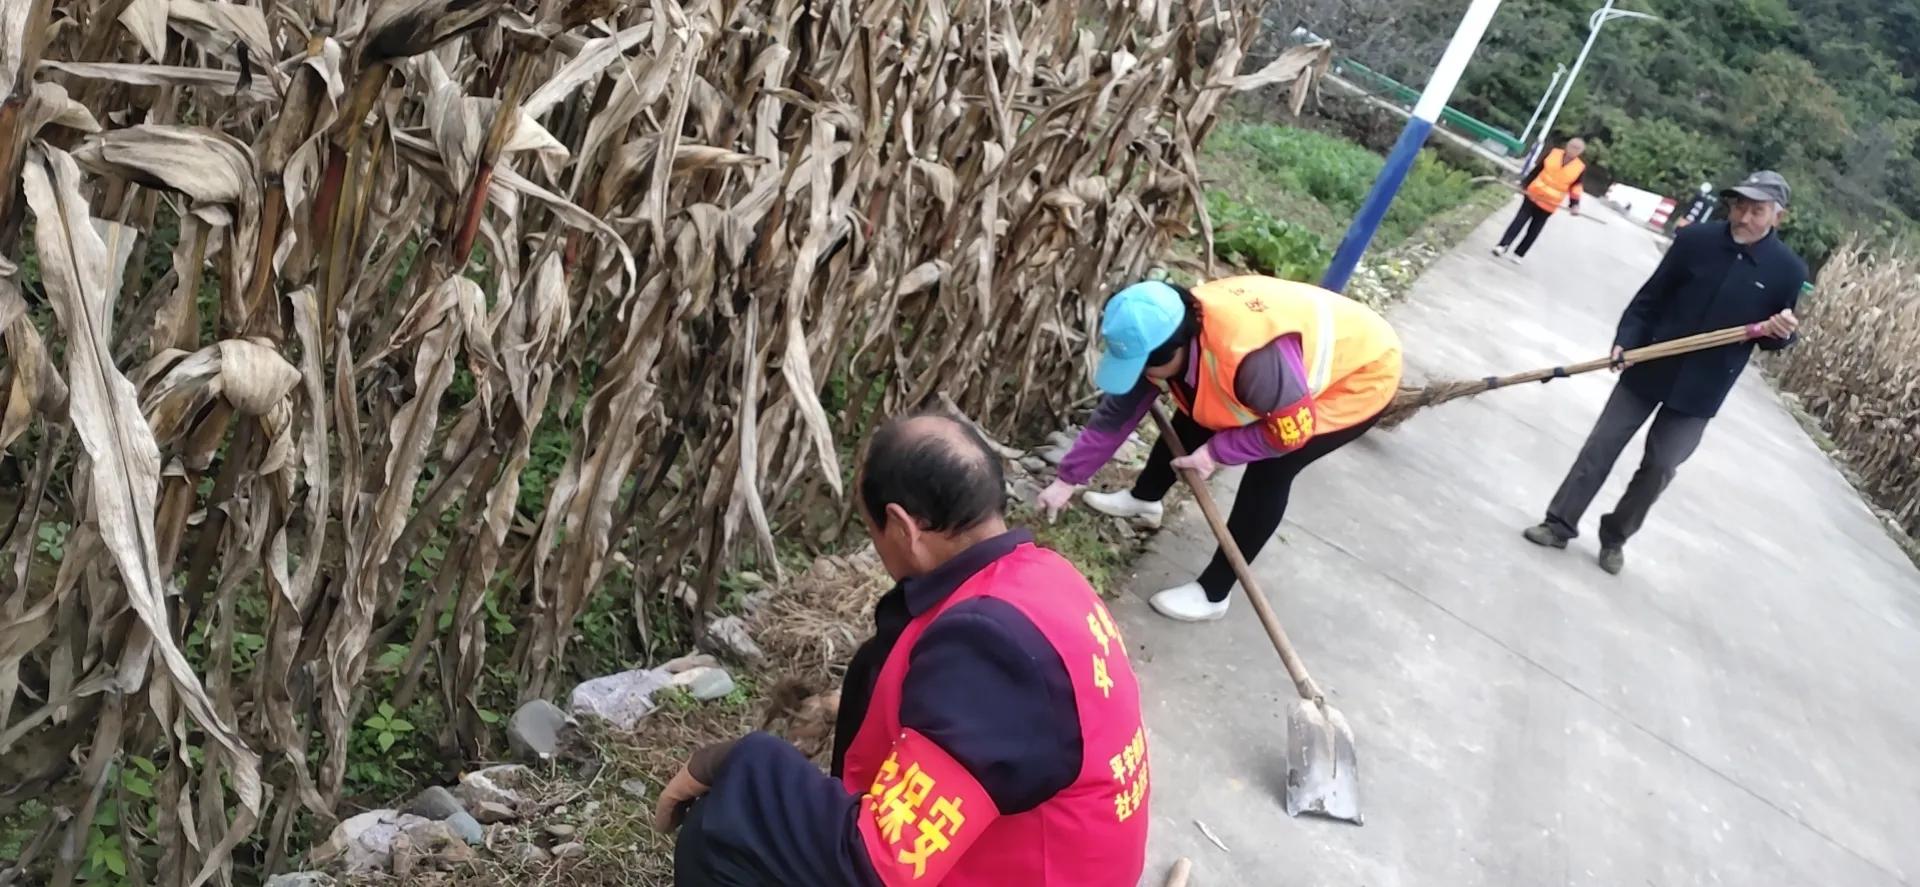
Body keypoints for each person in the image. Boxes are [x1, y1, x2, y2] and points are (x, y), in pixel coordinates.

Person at [660, 411, 1150, 886]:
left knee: (723, 827)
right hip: (1051, 861)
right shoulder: (1043, 581)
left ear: (901, 527)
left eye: (872, 530)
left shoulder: (988, 650)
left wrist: (737, 762)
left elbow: (878, 865)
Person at [1038, 276, 1402, 622]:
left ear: (1177, 347)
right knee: (1197, 408)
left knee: (1271, 471)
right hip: (1284, 359)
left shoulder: (1251, 361)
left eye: (1146, 367)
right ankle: (1145, 499)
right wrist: (1067, 479)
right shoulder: (1167, 328)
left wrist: (1215, 453)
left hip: (1360, 375)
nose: (1142, 375)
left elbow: (1290, 432)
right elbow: (1117, 413)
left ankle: (1214, 593)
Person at [1521, 171, 1806, 574]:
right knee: (1601, 446)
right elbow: (1649, 298)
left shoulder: (1787, 271)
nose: (1743, 216)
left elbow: (1774, 338)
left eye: (1756, 210)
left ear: (1778, 217)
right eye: (1739, 205)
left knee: (1661, 467)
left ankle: (1615, 535)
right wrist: (1627, 339)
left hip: (1701, 391)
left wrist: (1782, 335)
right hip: (1650, 363)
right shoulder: (1696, 241)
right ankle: (1558, 524)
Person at [1492, 137, 1587, 264]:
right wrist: (1523, 184)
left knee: (1534, 230)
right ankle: (1503, 245)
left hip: (1549, 203)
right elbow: (1537, 170)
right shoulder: (1553, 154)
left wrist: (1574, 204)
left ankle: (1519, 254)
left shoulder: (1579, 167)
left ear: (1581, 151)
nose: (1573, 150)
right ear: (1567, 145)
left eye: (1577, 148)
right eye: (1572, 146)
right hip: (1533, 194)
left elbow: (1576, 187)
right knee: (1518, 221)